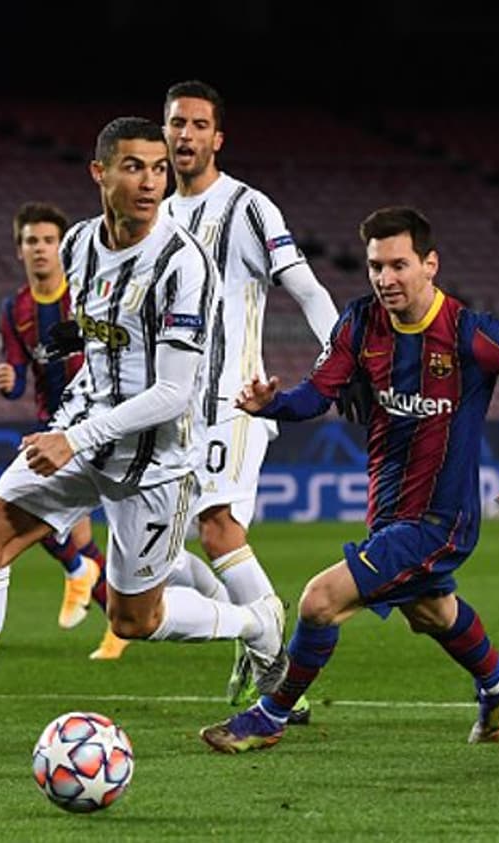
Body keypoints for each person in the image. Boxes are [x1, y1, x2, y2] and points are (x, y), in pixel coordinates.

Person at [0, 117, 287, 772]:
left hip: (153, 462)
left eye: (158, 168)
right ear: (100, 172)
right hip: (84, 432)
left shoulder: (184, 263)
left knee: (133, 620)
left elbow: (173, 392)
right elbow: (101, 334)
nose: (150, 181)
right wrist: (72, 364)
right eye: (133, 166)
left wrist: (74, 436)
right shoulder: (78, 244)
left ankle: (256, 623)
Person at [199, 205, 499, 754]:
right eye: (376, 266)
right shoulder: (359, 323)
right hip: (388, 510)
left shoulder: (470, 333)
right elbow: (316, 395)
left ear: (429, 265)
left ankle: (270, 715)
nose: (385, 278)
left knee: (319, 601)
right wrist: (270, 404)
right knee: (430, 612)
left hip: (440, 520)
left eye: (399, 265)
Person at [159, 80, 341, 714]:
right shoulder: (157, 213)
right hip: (169, 409)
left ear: (218, 138)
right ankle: (252, 624)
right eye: (176, 123)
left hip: (232, 400)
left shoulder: (246, 207)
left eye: (197, 125)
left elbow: (307, 289)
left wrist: (338, 364)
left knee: (218, 529)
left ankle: (278, 680)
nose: (185, 134)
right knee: (158, 550)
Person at [0, 200, 125, 660]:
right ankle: (104, 606)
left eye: (49, 240)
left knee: (115, 537)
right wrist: (8, 382)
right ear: (19, 249)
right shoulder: (15, 308)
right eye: (31, 241)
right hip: (51, 425)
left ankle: (93, 586)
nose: (40, 249)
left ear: (62, 246)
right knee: (40, 516)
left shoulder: (87, 291)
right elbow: (16, 371)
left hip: (101, 422)